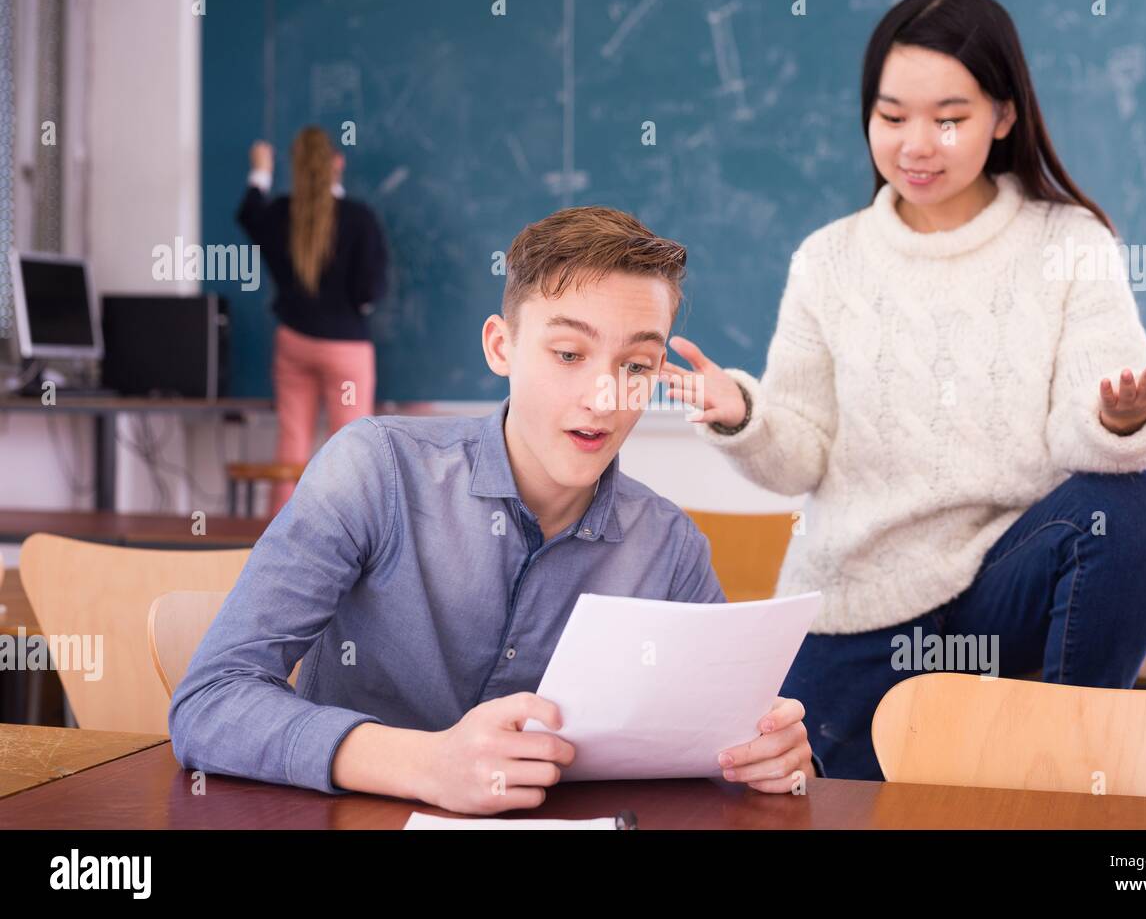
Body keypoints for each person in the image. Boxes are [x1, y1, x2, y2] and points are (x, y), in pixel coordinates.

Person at [660, 0, 1146, 780]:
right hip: (859, 612)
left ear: (1003, 115)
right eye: (892, 117)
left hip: (1003, 595)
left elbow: (1079, 434)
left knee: (1130, 504)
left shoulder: (1072, 243)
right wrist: (744, 415)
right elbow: (800, 457)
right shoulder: (830, 259)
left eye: (949, 117)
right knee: (788, 792)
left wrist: (1115, 419)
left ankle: (1068, 784)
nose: (917, 144)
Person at [170, 206, 821, 813]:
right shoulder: (376, 470)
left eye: (637, 365)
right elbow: (209, 701)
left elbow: (716, 757)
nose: (603, 398)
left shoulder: (670, 548)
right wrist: (425, 763)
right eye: (569, 354)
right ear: (500, 346)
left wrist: (773, 759)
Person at [237, 126, 389, 515]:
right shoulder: (359, 219)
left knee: (292, 441)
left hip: (294, 343)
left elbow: (248, 213)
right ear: (337, 163)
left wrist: (260, 172)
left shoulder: (279, 214)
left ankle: (280, 543)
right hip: (346, 349)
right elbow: (369, 293)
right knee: (351, 447)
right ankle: (347, 542)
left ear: (297, 169)